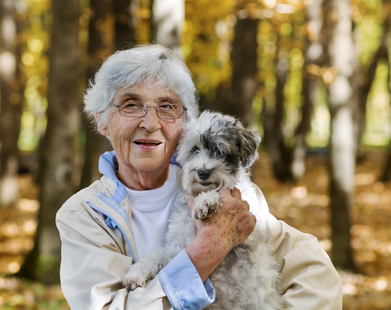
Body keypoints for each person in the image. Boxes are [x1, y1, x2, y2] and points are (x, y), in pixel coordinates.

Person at [56, 44, 343, 309]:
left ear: (184, 123)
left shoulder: (229, 192)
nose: (150, 123)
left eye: (167, 107)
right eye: (131, 105)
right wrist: (206, 252)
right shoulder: (82, 216)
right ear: (101, 121)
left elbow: (314, 272)